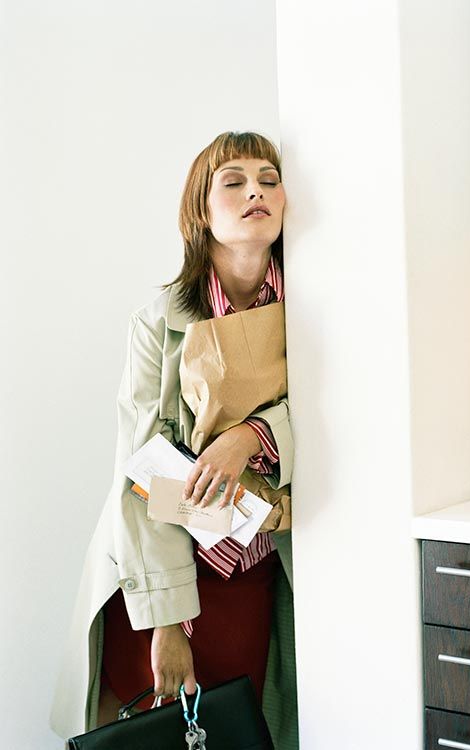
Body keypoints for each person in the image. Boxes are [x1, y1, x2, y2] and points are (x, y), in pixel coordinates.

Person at [50, 131, 298, 750]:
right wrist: (166, 623)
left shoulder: (315, 307)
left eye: (269, 179)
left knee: (244, 729)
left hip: (252, 574)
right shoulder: (159, 322)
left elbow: (340, 417)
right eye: (233, 182)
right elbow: (141, 475)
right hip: (162, 573)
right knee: (157, 733)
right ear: (200, 211)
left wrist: (254, 433)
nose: (256, 193)